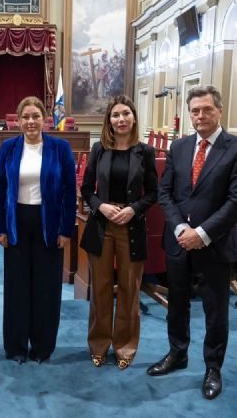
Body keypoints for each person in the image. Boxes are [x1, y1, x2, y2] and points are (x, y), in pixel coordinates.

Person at [146, 85, 237, 399]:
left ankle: (213, 368)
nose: (200, 115)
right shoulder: (178, 148)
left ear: (219, 110)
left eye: (207, 109)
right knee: (177, 304)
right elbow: (165, 194)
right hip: (179, 241)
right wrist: (181, 228)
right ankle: (177, 354)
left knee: (215, 310)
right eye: (195, 110)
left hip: (215, 245)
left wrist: (202, 234)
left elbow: (236, 203)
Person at [0, 96, 76, 364]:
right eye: (25, 117)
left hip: (48, 223)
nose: (30, 121)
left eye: (35, 116)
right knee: (16, 287)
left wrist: (65, 229)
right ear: (18, 121)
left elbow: (68, 191)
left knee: (47, 287)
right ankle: (16, 347)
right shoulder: (8, 147)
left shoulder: (60, 148)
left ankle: (42, 347)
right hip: (16, 221)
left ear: (45, 119)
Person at [80, 95, 157, 370]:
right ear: (109, 121)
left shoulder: (145, 152)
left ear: (133, 117)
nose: (121, 119)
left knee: (129, 290)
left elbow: (154, 194)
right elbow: (87, 189)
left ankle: (125, 346)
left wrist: (133, 209)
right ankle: (98, 344)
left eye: (126, 114)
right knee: (100, 290)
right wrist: (101, 207)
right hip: (102, 227)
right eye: (115, 115)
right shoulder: (98, 149)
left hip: (131, 227)